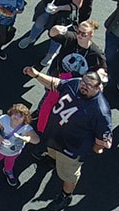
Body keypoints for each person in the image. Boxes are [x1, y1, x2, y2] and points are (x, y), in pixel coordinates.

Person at [22, 67, 112, 203]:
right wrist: (36, 75)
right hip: (54, 136)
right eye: (83, 82)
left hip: (71, 149)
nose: (83, 86)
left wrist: (96, 147)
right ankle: (52, 160)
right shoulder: (75, 83)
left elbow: (102, 140)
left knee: (68, 174)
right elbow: (55, 84)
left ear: (98, 88)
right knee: (52, 153)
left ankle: (66, 195)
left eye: (89, 85)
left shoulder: (100, 110)